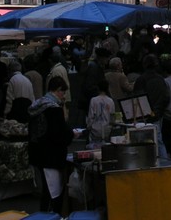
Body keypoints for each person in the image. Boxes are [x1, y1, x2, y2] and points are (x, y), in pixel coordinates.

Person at [28, 76, 75, 214]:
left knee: (46, 191)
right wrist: (71, 134)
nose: (64, 95)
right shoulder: (53, 109)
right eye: (63, 92)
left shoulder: (38, 105)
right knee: (53, 192)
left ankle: (44, 216)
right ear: (58, 90)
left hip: (37, 153)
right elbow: (59, 133)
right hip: (51, 156)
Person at [133, 53, 170, 158]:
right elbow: (166, 97)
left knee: (142, 141)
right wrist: (158, 111)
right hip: (157, 114)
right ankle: (164, 163)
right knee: (158, 139)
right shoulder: (160, 79)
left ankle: (145, 161)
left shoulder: (141, 80)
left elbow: (137, 97)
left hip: (143, 115)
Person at [86, 79, 115, 148]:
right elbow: (112, 117)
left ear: (98, 88)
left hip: (95, 130)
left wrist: (88, 127)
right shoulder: (110, 101)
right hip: (107, 130)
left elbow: (91, 116)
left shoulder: (93, 100)